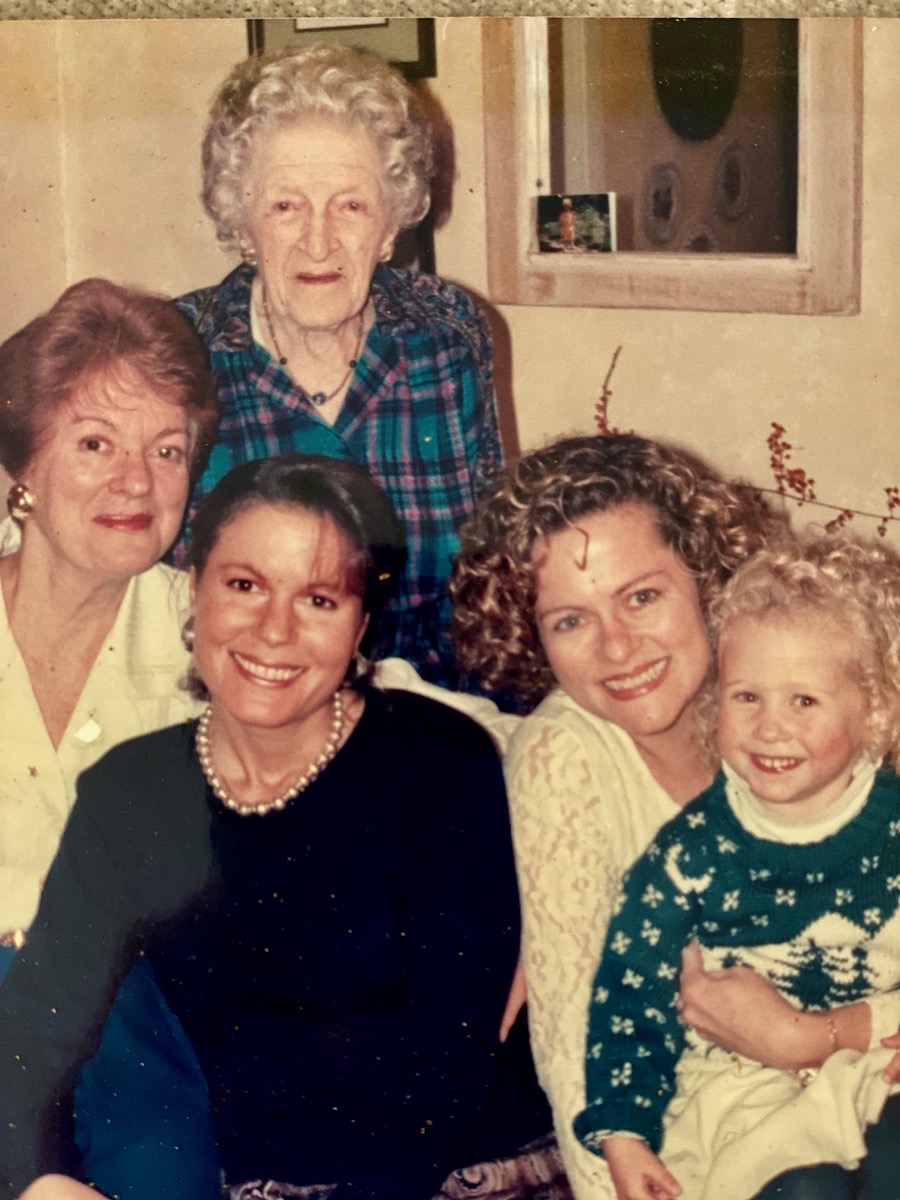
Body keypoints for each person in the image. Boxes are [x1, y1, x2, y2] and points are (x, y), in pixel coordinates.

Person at [0, 453, 557, 1200]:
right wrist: (40, 1178)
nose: (274, 630)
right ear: (192, 589)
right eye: (244, 585)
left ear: (362, 622)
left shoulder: (436, 764)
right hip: (253, 1184)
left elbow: (440, 1075)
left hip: (463, 1171)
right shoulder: (130, 793)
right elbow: (33, 1029)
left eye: (320, 600)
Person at [450, 432, 843, 1199]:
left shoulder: (792, 689)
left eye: (641, 596)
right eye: (571, 620)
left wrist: (816, 1038)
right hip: (709, 1149)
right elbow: (577, 1062)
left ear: (707, 579)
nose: (618, 647)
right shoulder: (563, 760)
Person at [574, 531, 900, 1200]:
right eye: (747, 697)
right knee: (801, 1191)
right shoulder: (688, 854)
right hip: (748, 1093)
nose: (769, 728)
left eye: (803, 701)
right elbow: (631, 998)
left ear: (873, 711)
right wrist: (624, 1133)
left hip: (879, 1065)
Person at [173, 41, 503, 687]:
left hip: (431, 722)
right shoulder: (181, 353)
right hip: (247, 717)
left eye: (351, 205)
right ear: (242, 224)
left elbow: (489, 584)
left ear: (389, 226)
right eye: (285, 206)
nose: (318, 240)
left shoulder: (447, 338)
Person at [0, 277, 222, 1199]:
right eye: (95, 443)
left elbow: (418, 722)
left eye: (166, 449)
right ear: (21, 472)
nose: (136, 481)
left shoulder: (210, 631)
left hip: (132, 1028)